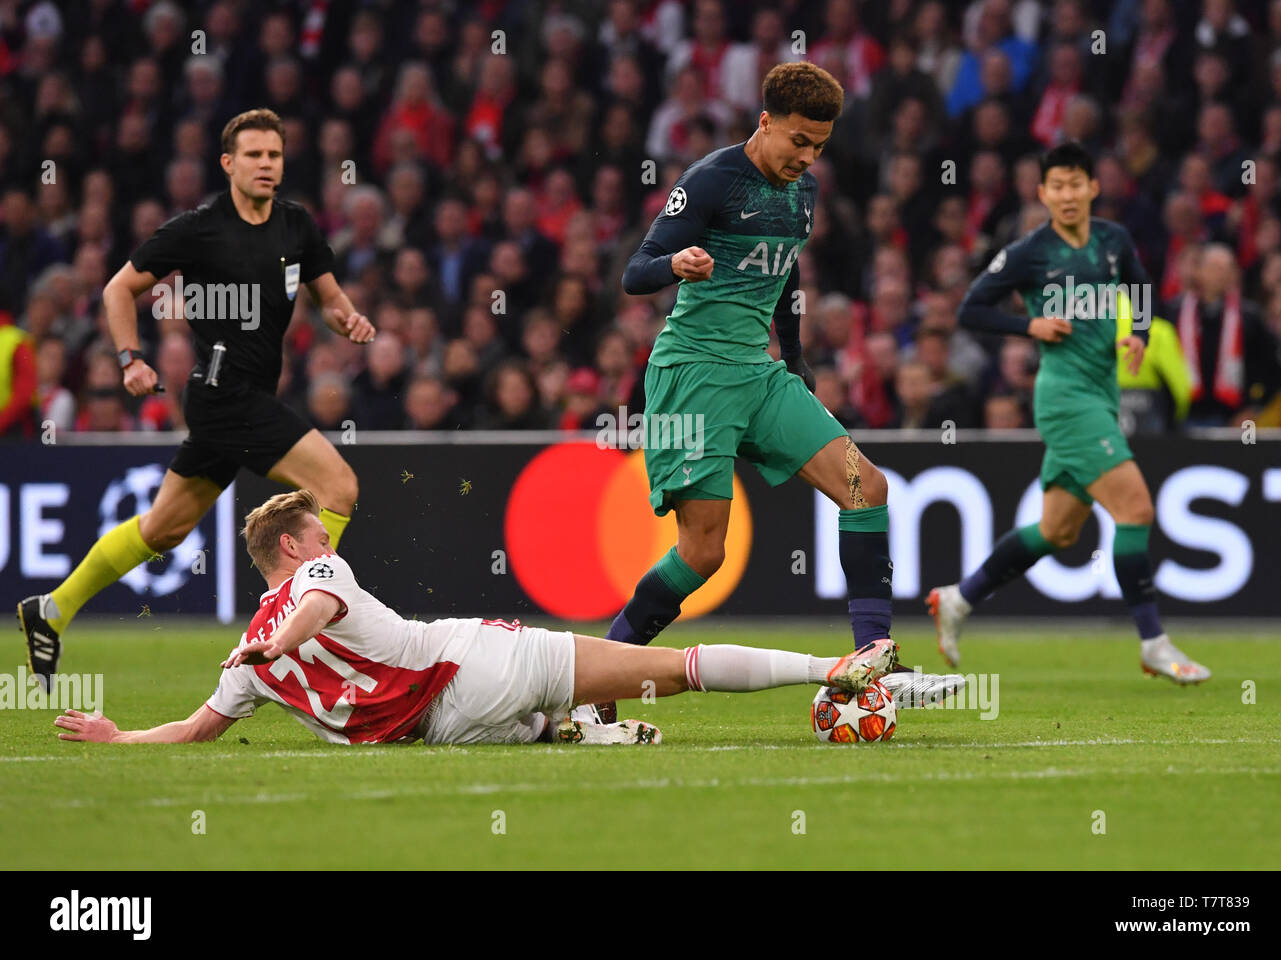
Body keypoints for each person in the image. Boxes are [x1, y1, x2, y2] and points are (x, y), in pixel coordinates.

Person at [592, 62, 930, 724]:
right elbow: (635, 273)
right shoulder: (713, 180)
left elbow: (787, 268)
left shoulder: (800, 194)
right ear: (766, 121)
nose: (806, 158)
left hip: (759, 371)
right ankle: (604, 669)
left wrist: (797, 358)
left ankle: (874, 657)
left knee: (868, 487)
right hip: (693, 375)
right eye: (799, 142)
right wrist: (675, 264)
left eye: (820, 148)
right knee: (704, 550)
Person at [52, 490, 908, 748]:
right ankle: (830, 670)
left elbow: (199, 730)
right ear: (292, 542)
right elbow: (312, 606)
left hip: (435, 732)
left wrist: (118, 739)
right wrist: (286, 632)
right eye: (317, 529)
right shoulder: (316, 573)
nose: (330, 536)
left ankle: (565, 734)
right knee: (669, 670)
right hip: (473, 665)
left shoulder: (245, 659)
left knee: (541, 724)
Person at [19, 108, 375, 692]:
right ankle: (308, 624)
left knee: (163, 530)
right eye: (254, 155)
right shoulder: (201, 228)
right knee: (339, 486)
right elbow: (119, 289)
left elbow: (331, 300)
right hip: (222, 393)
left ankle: (52, 609)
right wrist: (131, 358)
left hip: (244, 397)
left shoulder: (296, 227)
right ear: (228, 163)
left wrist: (350, 320)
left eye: (275, 155)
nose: (266, 164)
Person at [931, 142, 1210, 685]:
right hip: (1064, 399)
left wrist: (1139, 333)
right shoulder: (1031, 252)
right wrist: (1028, 326)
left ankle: (958, 599)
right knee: (1135, 510)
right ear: (1042, 193)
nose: (1066, 194)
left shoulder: (1114, 240)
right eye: (1055, 186)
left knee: (1057, 532)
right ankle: (1154, 642)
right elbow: (972, 308)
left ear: (1092, 187)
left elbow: (1141, 289)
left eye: (1074, 184)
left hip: (1101, 392)